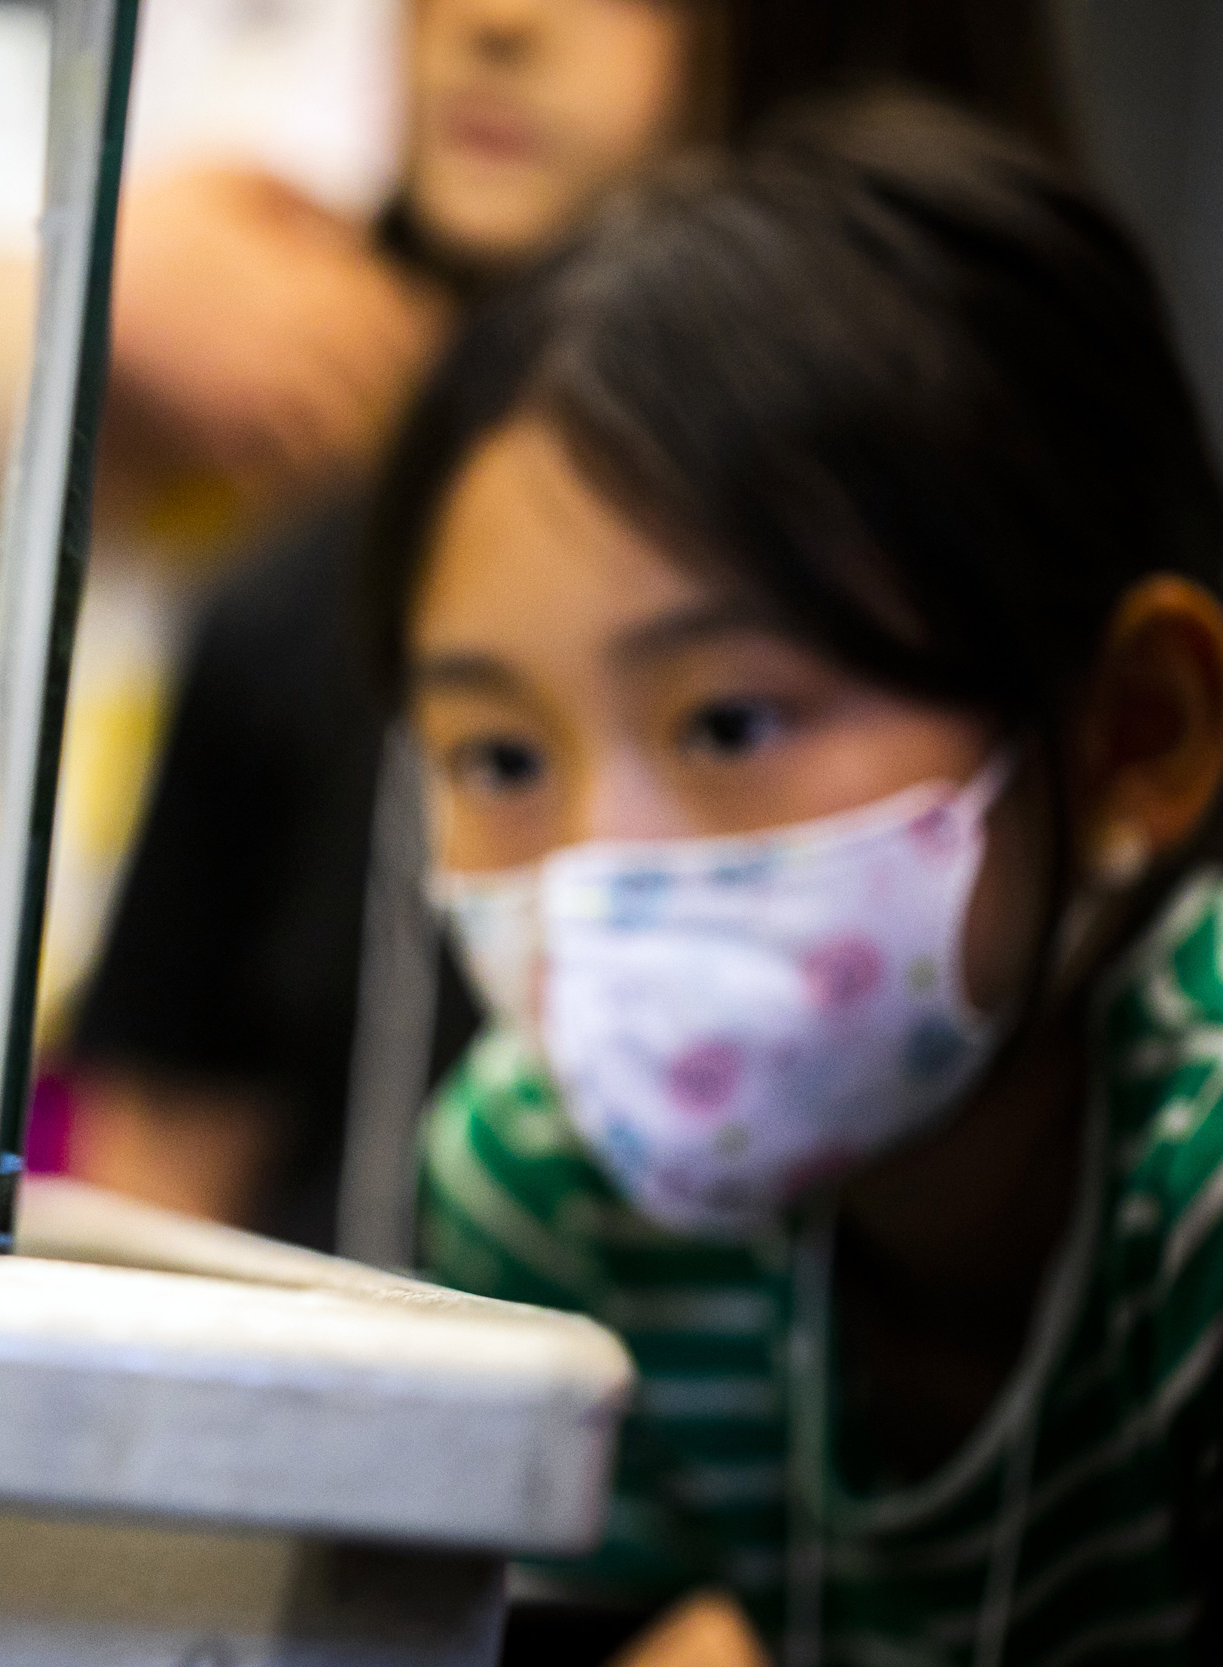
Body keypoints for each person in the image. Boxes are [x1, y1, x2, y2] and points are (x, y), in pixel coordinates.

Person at [388, 95, 1223, 1664]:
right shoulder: (555, 1189)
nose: (597, 873)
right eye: (500, 758)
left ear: (1132, 736)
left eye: (730, 721)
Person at [65, 0, 1070, 1253]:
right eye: (495, 754)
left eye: (729, 720)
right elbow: (151, 1181)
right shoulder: (284, 594)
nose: (490, 20)